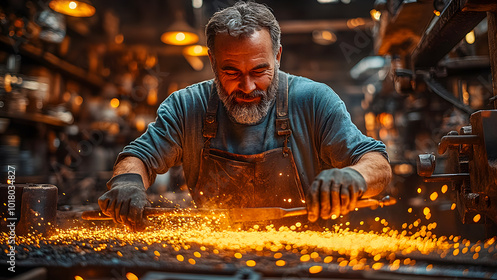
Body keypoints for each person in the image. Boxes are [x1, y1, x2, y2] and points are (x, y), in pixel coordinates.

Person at [98, 1, 392, 231]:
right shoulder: (187, 107)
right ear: (212, 62)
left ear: (277, 56)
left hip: (306, 253)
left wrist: (353, 176)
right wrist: (127, 184)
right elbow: (138, 156)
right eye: (231, 72)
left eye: (259, 71)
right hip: (216, 251)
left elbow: (378, 164)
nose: (248, 87)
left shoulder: (314, 101)